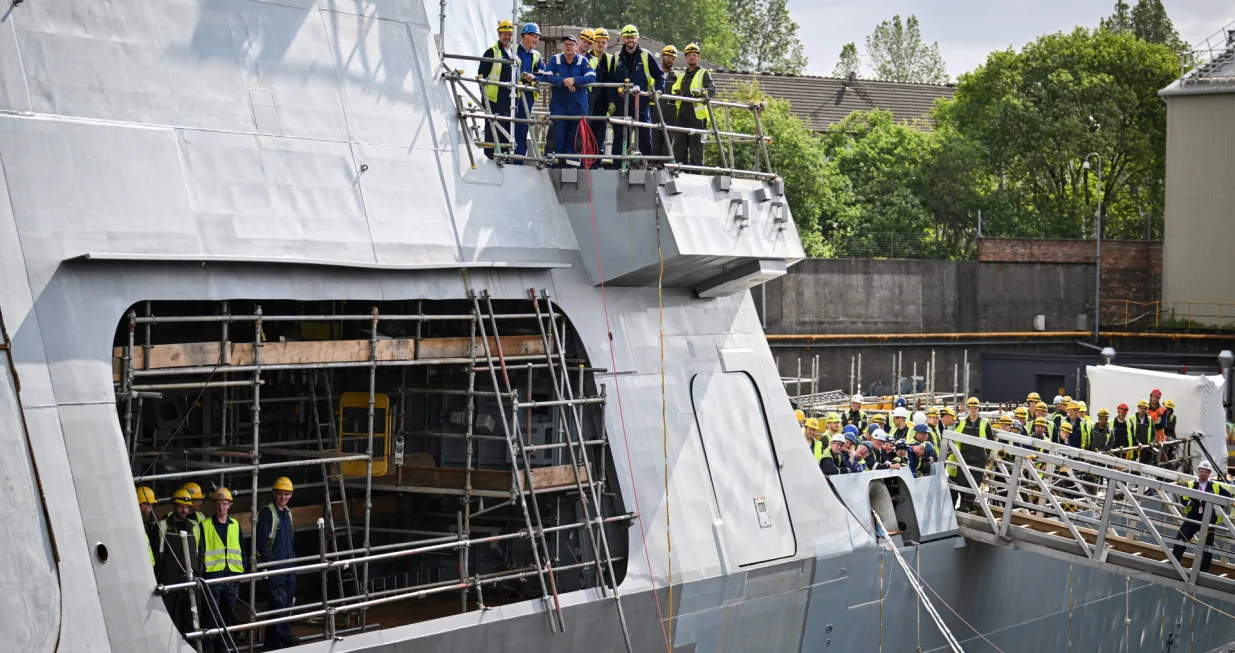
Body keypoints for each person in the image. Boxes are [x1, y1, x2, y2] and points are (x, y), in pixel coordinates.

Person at [539, 34, 596, 165]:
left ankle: (572, 168)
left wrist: (575, 80)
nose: (568, 47)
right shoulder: (555, 59)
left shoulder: (583, 61)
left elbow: (592, 76)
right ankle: (553, 164)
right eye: (566, 44)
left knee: (575, 138)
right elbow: (547, 75)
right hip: (559, 106)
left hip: (578, 107)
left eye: (571, 44)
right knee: (556, 136)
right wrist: (563, 81)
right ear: (562, 46)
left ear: (576, 47)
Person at [611, 25, 665, 159]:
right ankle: (619, 164)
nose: (630, 40)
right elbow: (611, 80)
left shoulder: (646, 55)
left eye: (632, 37)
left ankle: (646, 163)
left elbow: (659, 75)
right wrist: (611, 101)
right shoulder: (617, 56)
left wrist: (658, 91)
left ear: (637, 38)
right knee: (621, 133)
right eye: (627, 37)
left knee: (644, 133)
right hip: (621, 101)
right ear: (623, 39)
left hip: (641, 101)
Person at [202, 488, 245, 653]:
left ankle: (224, 646)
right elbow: (201, 550)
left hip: (232, 574)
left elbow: (242, 549)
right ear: (215, 505)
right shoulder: (205, 525)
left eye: (225, 504)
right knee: (211, 613)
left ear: (230, 505)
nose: (221, 507)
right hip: (213, 574)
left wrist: (242, 569)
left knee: (229, 612)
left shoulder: (235, 525)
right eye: (219, 504)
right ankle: (209, 647)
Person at [257, 477, 297, 650]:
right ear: (274, 494)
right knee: (278, 603)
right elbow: (262, 544)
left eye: (287, 494)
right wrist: (271, 563)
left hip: (288, 565)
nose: (283, 497)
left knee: (285, 603)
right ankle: (286, 636)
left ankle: (271, 646)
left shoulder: (287, 513)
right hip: (276, 566)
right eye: (280, 494)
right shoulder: (268, 513)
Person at [157, 488, 203, 638]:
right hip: (170, 581)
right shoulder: (162, 526)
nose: (184, 510)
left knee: (191, 622)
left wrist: (197, 571)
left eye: (187, 507)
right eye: (181, 507)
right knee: (170, 621)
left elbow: (200, 552)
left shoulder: (195, 526)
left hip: (190, 581)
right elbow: (156, 553)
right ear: (174, 506)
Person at [1172, 460, 1231, 573]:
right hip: (1193, 516)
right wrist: (1190, 503)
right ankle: (1174, 560)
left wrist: (1219, 505)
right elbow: (1183, 499)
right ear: (1198, 472)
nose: (1203, 474)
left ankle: (1204, 569)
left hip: (1209, 518)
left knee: (1207, 545)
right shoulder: (1191, 484)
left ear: (1209, 474)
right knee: (1181, 538)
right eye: (1201, 471)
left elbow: (1228, 497)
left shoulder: (1215, 487)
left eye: (1206, 472)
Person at [671, 43, 716, 166]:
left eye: (695, 55)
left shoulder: (703, 73)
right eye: (690, 55)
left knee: (696, 149)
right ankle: (682, 174)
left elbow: (712, 90)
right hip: (682, 115)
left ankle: (696, 177)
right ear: (686, 57)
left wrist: (702, 92)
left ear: (699, 57)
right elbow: (675, 90)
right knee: (679, 147)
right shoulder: (683, 76)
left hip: (697, 117)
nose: (692, 57)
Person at [477, 20, 516, 159]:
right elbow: (481, 76)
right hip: (494, 99)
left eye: (509, 34)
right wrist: (486, 98)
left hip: (509, 100)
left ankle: (504, 157)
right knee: (492, 130)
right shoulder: (491, 52)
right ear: (499, 35)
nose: (507, 37)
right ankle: (490, 156)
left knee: (506, 130)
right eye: (504, 34)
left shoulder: (513, 53)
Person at [949, 397, 994, 512]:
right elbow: (955, 437)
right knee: (962, 481)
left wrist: (986, 456)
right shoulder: (962, 421)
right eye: (971, 408)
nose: (973, 410)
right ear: (968, 408)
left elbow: (990, 441)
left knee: (974, 482)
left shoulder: (984, 423)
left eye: (975, 408)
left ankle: (965, 505)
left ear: (978, 409)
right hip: (964, 457)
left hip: (979, 458)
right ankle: (964, 503)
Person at [586, 27, 616, 158]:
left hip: (602, 102)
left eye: (604, 42)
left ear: (607, 44)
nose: (601, 45)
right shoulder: (586, 58)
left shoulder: (609, 59)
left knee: (599, 132)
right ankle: (584, 159)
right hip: (587, 101)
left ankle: (596, 160)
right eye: (598, 42)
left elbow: (611, 81)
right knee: (586, 130)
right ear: (593, 42)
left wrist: (611, 101)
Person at [653, 45, 678, 158]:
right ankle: (652, 164)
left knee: (668, 141)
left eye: (672, 58)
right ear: (662, 56)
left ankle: (663, 166)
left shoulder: (677, 78)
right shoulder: (653, 75)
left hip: (670, 113)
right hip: (653, 111)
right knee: (653, 140)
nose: (670, 60)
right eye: (668, 57)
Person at [137, 486, 160, 573]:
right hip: (144, 570)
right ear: (143, 506)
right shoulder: (137, 526)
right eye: (150, 505)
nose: (151, 509)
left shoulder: (138, 524)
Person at [1132, 399, 1157, 465]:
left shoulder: (1149, 419)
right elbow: (1130, 434)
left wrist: (1151, 442)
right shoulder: (1132, 418)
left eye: (1145, 408)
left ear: (1147, 409)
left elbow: (1153, 434)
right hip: (1135, 448)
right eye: (1141, 408)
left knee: (1145, 466)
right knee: (1134, 467)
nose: (1143, 410)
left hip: (1146, 447)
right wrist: (1137, 443)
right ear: (1138, 408)